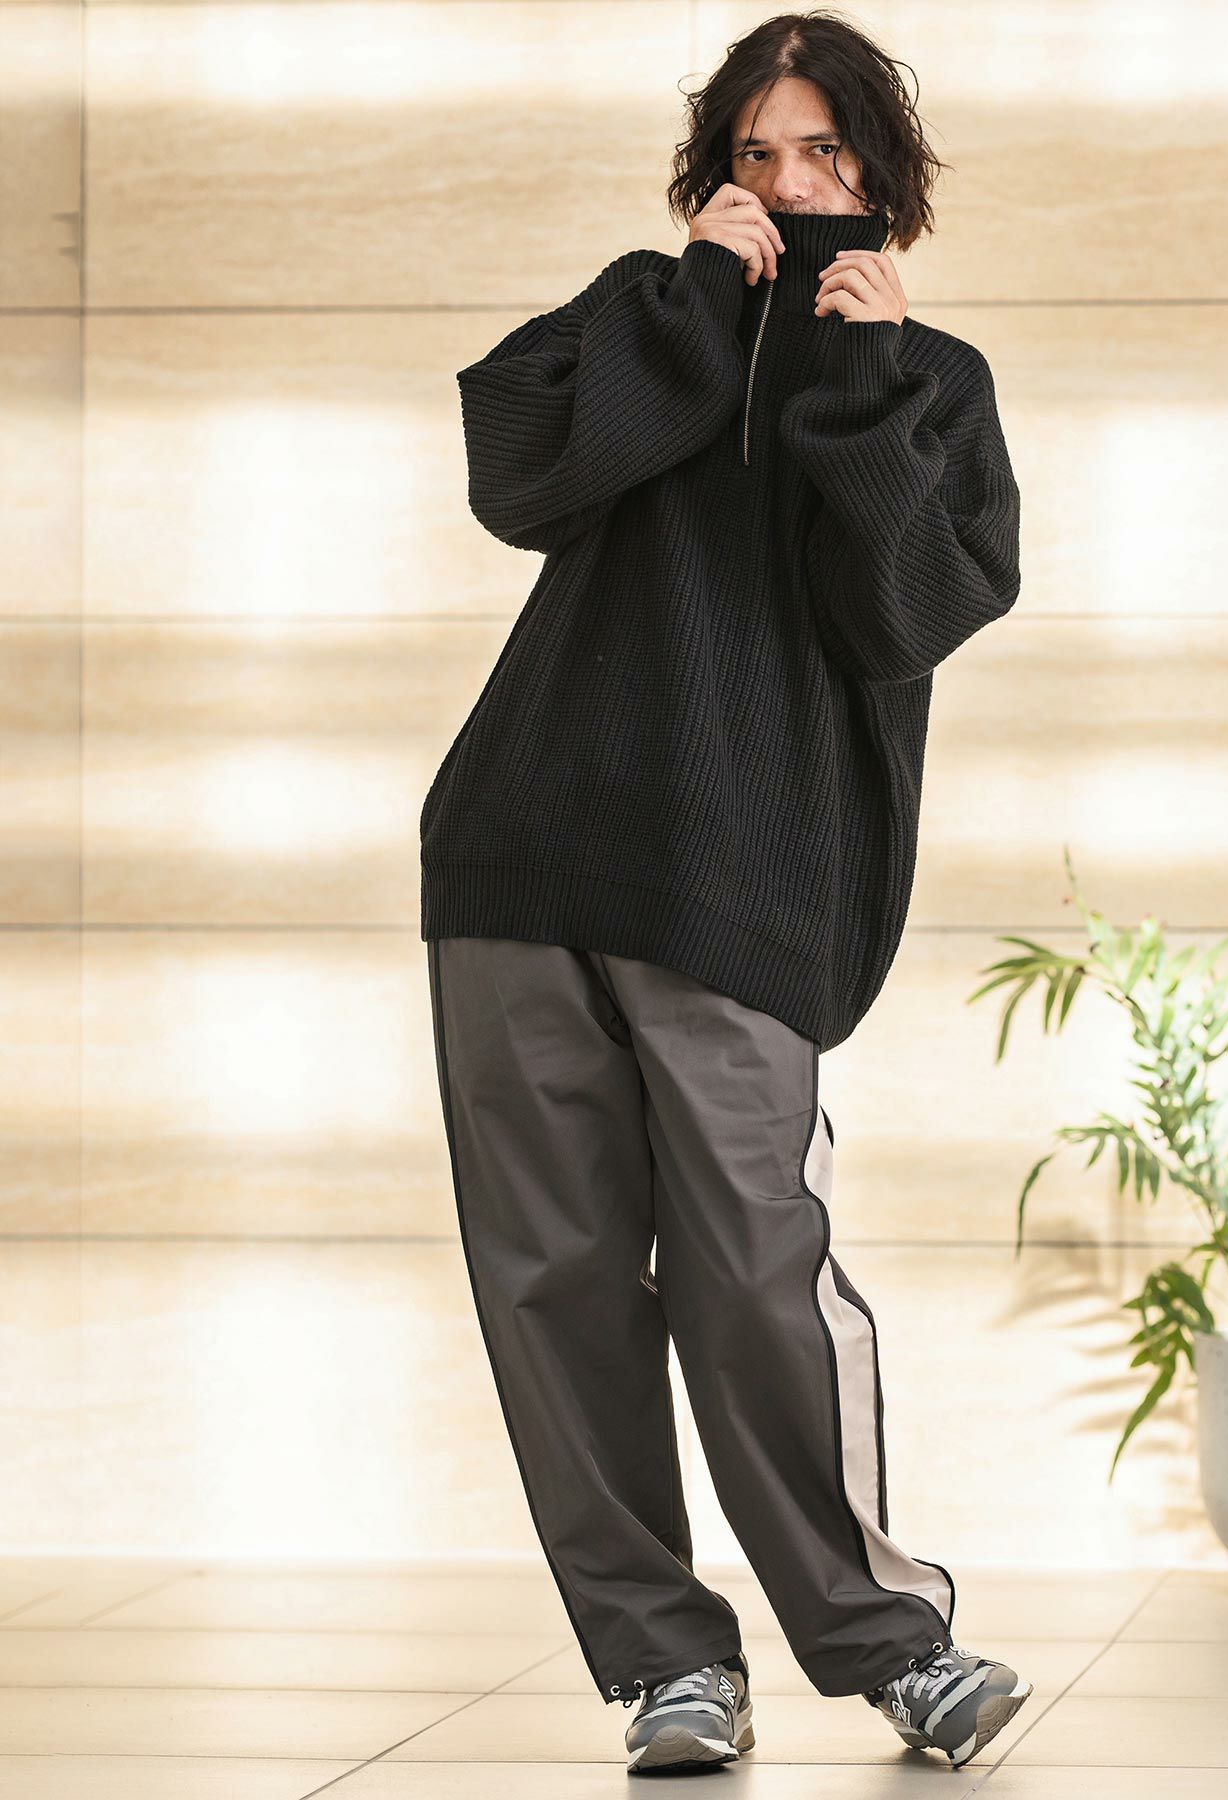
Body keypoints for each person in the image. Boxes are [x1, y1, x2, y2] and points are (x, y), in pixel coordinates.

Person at [421, 10, 1031, 1775]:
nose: (790, 185)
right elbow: (522, 474)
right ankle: (666, 1665)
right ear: (712, 176)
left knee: (759, 1265)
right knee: (552, 1277)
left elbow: (905, 615)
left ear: (882, 176)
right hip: (524, 847)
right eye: (756, 155)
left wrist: (861, 386)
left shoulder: (931, 384)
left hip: (741, 875)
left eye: (823, 152)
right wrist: (690, 299)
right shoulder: (642, 321)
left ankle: (890, 1644)